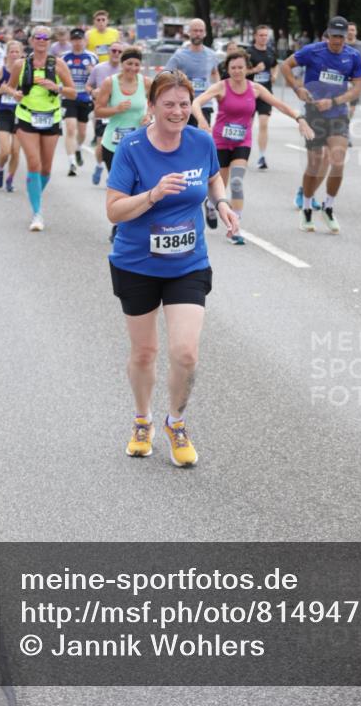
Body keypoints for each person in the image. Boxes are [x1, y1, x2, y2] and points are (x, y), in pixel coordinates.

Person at [106, 69, 239, 466]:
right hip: (137, 264)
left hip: (187, 262)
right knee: (145, 352)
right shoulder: (132, 149)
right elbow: (113, 210)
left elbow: (214, 180)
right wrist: (153, 194)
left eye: (184, 104)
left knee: (185, 354)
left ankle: (176, 422)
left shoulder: (200, 141)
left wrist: (223, 204)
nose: (178, 112)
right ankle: (142, 419)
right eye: (169, 104)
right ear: (152, 107)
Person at [193, 49, 313, 245]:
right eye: (233, 68)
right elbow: (196, 102)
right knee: (218, 188)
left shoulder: (255, 89)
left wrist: (299, 118)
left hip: (242, 141)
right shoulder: (221, 87)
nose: (237, 71)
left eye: (241, 67)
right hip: (220, 142)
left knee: (237, 182)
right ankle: (210, 204)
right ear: (228, 69)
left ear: (247, 68)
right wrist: (201, 121)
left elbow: (279, 104)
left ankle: (235, 227)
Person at [280, 15, 361, 234]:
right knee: (315, 164)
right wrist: (297, 88)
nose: (338, 41)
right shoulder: (313, 51)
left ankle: (328, 206)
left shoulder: (353, 56)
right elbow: (286, 67)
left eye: (342, 37)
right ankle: (307, 207)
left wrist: (335, 101)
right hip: (314, 114)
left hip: (338, 114)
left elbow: (357, 89)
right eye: (334, 36)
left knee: (337, 161)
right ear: (327, 34)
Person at [6, 26, 76, 231]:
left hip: (51, 118)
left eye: (46, 37)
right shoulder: (21, 64)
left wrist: (57, 88)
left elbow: (72, 93)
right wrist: (14, 94)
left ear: (50, 41)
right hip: (26, 116)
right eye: (38, 37)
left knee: (46, 168)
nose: (42, 40)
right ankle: (37, 213)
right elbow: (8, 86)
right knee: (34, 164)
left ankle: (33, 193)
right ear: (31, 40)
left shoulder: (58, 64)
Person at [165, 18, 221, 228]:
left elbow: (215, 73)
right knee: (184, 148)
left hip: (204, 107)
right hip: (183, 108)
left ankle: (206, 198)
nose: (197, 33)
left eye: (201, 30)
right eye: (194, 30)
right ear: (188, 33)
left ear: (205, 33)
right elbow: (166, 75)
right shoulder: (180, 55)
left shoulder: (211, 54)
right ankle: (187, 191)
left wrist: (218, 92)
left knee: (201, 149)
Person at [95, 46, 152, 241]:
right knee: (120, 187)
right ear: (122, 63)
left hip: (138, 143)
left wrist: (148, 116)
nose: (133, 68)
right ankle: (118, 225)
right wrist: (116, 109)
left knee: (139, 184)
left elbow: (156, 104)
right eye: (129, 63)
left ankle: (127, 225)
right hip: (113, 143)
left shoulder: (146, 83)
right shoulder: (110, 83)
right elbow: (98, 111)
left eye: (137, 64)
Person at [61, 28, 99, 176]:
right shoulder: (64, 58)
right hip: (69, 96)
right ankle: (71, 163)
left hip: (85, 97)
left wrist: (91, 71)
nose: (77, 43)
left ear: (85, 41)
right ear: (71, 41)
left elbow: (97, 78)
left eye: (80, 40)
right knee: (70, 128)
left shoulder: (92, 57)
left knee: (82, 132)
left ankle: (78, 148)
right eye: (75, 40)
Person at [87, 41, 124, 185]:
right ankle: (99, 165)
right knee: (101, 143)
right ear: (109, 52)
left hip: (121, 113)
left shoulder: (126, 70)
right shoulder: (99, 68)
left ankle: (112, 174)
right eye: (113, 50)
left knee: (119, 145)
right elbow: (88, 85)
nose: (116, 54)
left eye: (119, 52)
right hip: (103, 112)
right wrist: (92, 91)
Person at [0, 40, 23, 191]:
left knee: (15, 151)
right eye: (12, 51)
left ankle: (10, 179)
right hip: (3, 113)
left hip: (21, 114)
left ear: (21, 54)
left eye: (17, 52)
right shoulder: (0, 72)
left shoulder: (26, 72)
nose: (14, 54)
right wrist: (1, 91)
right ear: (7, 54)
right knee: (5, 151)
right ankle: (0, 169)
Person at [247, 24, 278, 170]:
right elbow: (240, 72)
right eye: (261, 35)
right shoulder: (248, 53)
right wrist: (254, 70)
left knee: (264, 124)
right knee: (247, 126)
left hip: (266, 93)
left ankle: (262, 156)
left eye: (266, 35)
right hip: (250, 94)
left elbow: (275, 65)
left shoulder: (271, 52)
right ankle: (242, 153)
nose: (264, 38)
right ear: (255, 36)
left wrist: (275, 74)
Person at [345, 21, 361, 124]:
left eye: (352, 30)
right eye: (348, 30)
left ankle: (347, 123)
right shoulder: (341, 44)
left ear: (356, 32)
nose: (350, 32)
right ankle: (342, 124)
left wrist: (356, 61)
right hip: (343, 78)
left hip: (356, 79)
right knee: (344, 102)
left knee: (352, 107)